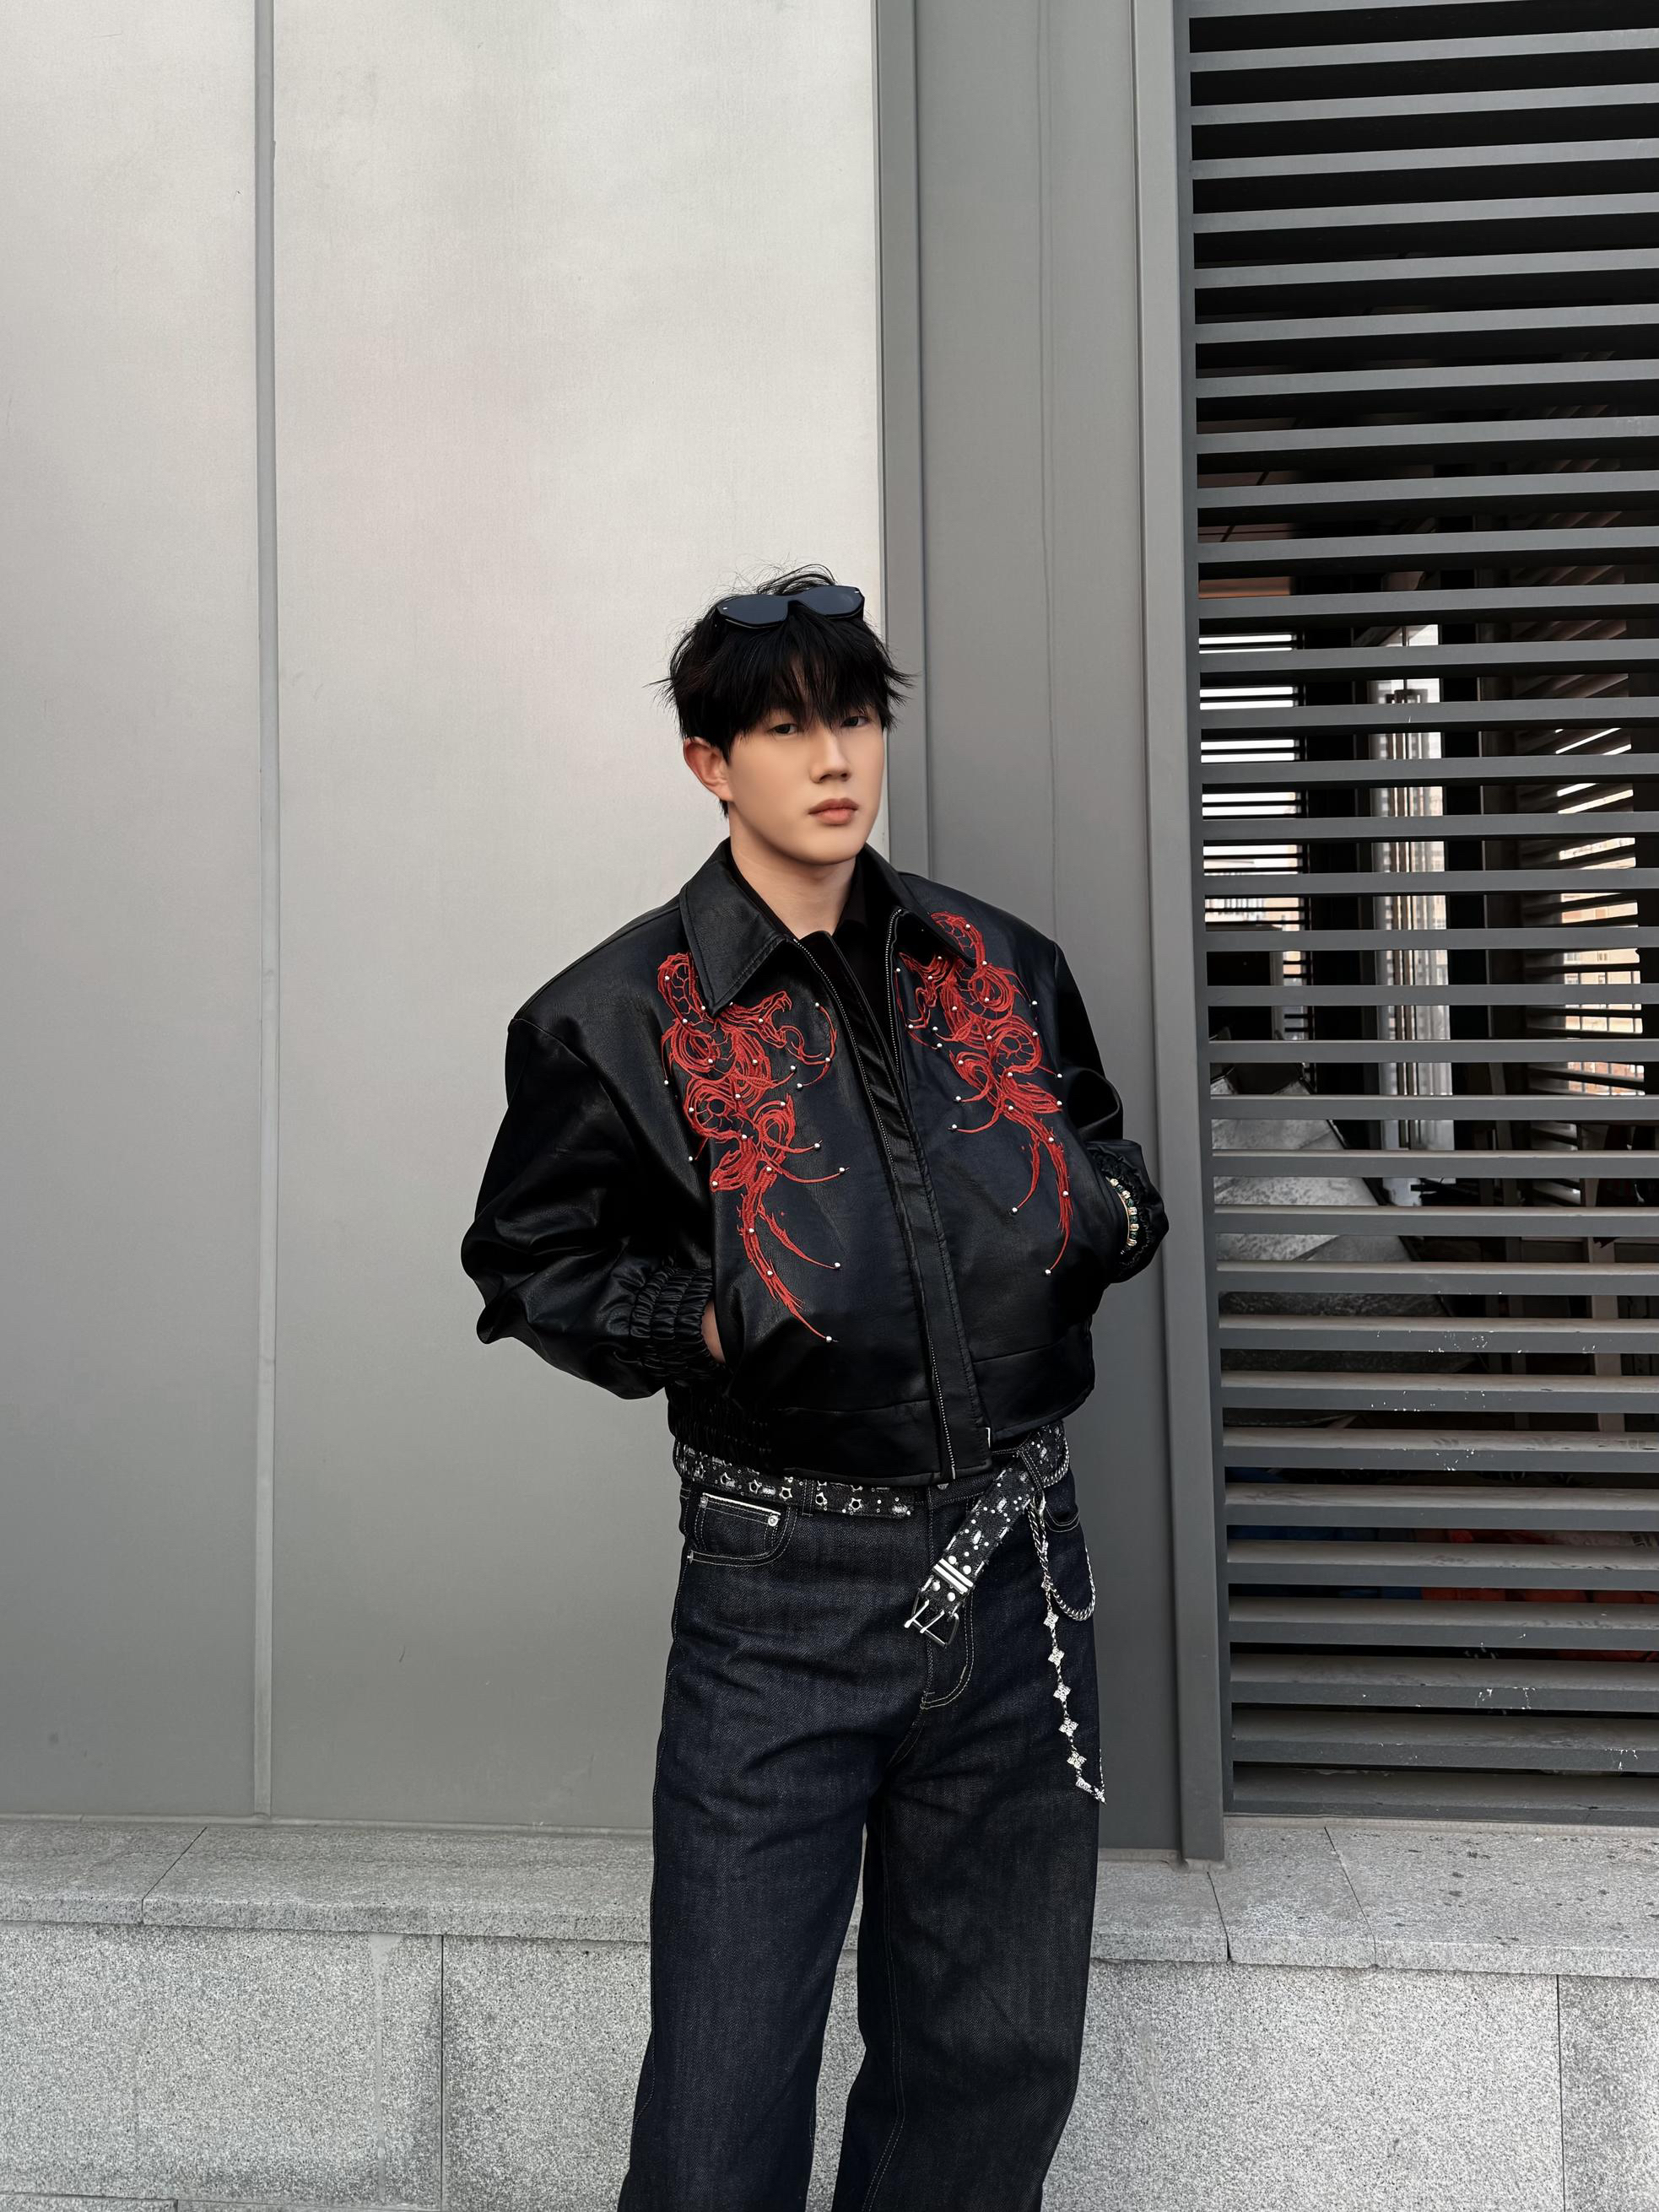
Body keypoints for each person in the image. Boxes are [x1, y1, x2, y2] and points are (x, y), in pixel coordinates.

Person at [461, 565, 1168, 2212]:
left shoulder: (996, 961)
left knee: (989, 2055)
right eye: (783, 730)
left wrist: (1103, 1215)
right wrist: (707, 1324)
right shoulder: (610, 1016)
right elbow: (527, 1260)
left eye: (851, 717)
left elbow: (1097, 1147)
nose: (832, 758)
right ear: (709, 764)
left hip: (1018, 1563)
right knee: (725, 2087)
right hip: (780, 1584)